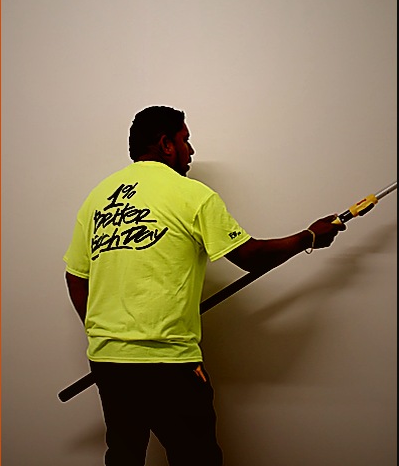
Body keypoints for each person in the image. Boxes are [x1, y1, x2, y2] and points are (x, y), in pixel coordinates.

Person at [64, 105, 344, 466]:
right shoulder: (192, 195)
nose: (191, 151)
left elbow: (75, 275)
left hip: (109, 362)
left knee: (124, 458)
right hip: (169, 364)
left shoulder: (97, 199)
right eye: (186, 140)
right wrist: (309, 236)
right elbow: (251, 256)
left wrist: (104, 331)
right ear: (166, 144)